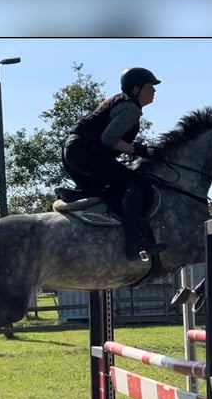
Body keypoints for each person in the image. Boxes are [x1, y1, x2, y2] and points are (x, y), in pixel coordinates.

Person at [62, 67, 166, 261]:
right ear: (136, 89)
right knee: (137, 184)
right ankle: (134, 244)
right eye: (150, 86)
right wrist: (140, 150)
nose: (154, 90)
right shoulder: (130, 110)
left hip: (73, 152)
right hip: (84, 153)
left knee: (112, 190)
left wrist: (137, 149)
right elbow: (109, 139)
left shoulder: (120, 102)